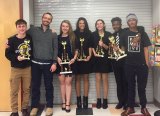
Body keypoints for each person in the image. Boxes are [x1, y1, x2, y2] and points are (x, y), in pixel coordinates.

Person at [120, 13, 151, 116]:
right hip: (128, 64)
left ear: (136, 21)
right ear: (127, 22)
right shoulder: (124, 34)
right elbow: (123, 48)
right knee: (130, 86)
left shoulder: (142, 33)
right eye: (129, 20)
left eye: (133, 20)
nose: (132, 21)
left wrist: (147, 63)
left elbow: (146, 48)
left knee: (142, 87)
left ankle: (143, 107)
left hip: (142, 65)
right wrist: (117, 50)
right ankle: (130, 107)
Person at [27, 12, 58, 116]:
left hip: (48, 64)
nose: (46, 20)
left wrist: (54, 63)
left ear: (51, 21)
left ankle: (49, 106)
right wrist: (9, 41)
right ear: (42, 18)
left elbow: (55, 49)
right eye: (45, 18)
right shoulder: (33, 30)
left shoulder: (53, 33)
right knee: (35, 86)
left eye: (49, 19)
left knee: (49, 86)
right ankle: (34, 107)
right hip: (35, 63)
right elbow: (21, 34)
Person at [5, 19, 32, 116]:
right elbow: (7, 54)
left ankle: (24, 108)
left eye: (23, 26)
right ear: (16, 28)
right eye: (19, 26)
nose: (21, 28)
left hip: (27, 68)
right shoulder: (11, 40)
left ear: (26, 27)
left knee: (26, 90)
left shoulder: (30, 38)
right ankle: (14, 111)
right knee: (14, 91)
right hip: (15, 69)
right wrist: (17, 57)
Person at [57, 20, 78, 113]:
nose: (65, 28)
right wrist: (57, 58)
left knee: (68, 83)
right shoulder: (57, 38)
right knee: (62, 83)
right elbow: (54, 50)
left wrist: (74, 58)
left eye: (67, 26)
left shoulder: (73, 37)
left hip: (70, 63)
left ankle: (68, 103)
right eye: (63, 26)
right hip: (60, 63)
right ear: (61, 27)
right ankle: (63, 102)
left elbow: (77, 49)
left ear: (69, 28)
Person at [92, 19, 112, 109]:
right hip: (96, 59)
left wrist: (103, 44)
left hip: (105, 59)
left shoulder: (108, 34)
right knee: (97, 79)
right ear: (96, 26)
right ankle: (98, 99)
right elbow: (91, 46)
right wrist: (94, 53)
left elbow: (110, 48)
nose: (99, 25)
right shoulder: (93, 34)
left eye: (101, 23)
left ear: (103, 25)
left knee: (105, 80)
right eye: (97, 24)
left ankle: (105, 100)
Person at [74, 17, 92, 109]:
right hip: (77, 60)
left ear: (85, 24)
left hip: (86, 59)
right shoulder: (73, 33)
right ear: (78, 24)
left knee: (86, 79)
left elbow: (90, 46)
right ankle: (78, 100)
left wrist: (89, 55)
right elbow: (73, 46)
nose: (82, 25)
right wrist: (75, 56)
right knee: (77, 79)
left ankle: (85, 100)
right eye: (80, 23)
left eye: (83, 23)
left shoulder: (89, 33)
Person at [110, 17, 128, 109]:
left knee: (125, 81)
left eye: (117, 24)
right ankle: (120, 101)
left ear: (121, 24)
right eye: (114, 24)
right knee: (118, 82)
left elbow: (126, 47)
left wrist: (120, 49)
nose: (115, 26)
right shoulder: (112, 36)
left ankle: (126, 103)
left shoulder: (125, 33)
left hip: (125, 61)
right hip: (115, 61)